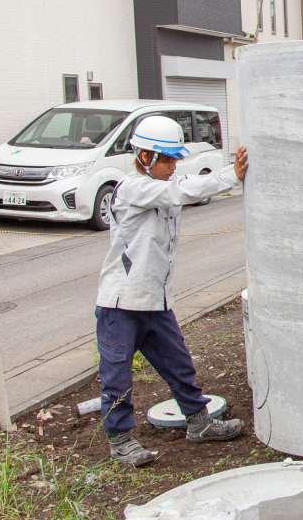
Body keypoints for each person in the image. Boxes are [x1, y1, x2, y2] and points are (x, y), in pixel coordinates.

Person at [96, 116, 249, 466]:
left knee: (179, 365)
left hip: (155, 300)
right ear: (145, 156)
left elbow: (187, 183)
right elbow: (178, 191)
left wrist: (227, 170)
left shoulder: (166, 180)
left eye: (175, 158)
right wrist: (232, 176)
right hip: (120, 303)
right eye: (167, 159)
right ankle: (120, 441)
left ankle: (199, 423)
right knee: (117, 377)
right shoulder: (132, 187)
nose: (173, 165)